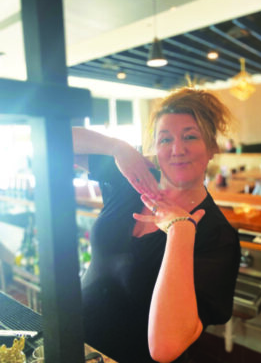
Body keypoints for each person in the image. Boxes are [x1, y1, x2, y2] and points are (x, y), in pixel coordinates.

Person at [72, 87, 241, 363]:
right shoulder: (132, 179)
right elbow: (50, 139)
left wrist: (180, 231)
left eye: (190, 136)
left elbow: (166, 347)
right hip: (78, 346)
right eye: (165, 139)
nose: (177, 149)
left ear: (212, 148)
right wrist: (116, 147)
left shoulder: (217, 236)